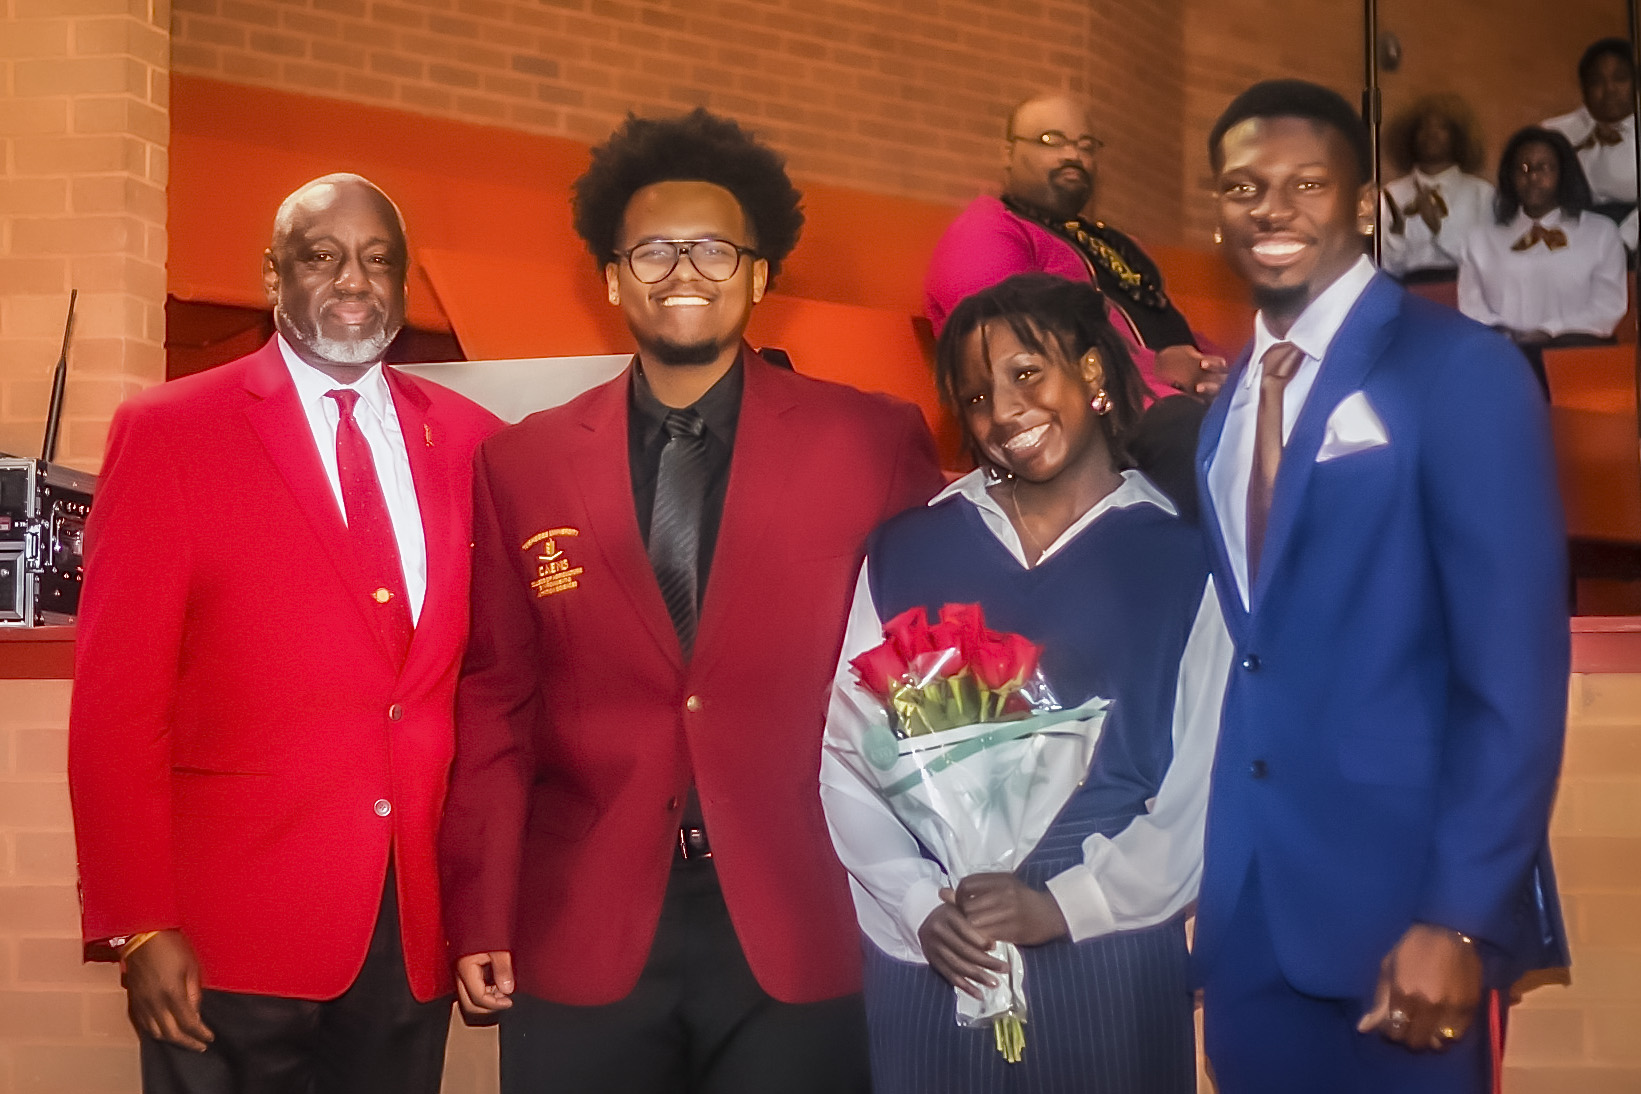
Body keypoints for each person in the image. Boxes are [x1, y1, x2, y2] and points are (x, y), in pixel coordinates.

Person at [439, 108, 944, 1094]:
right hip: (581, 923)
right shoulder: (521, 461)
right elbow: (498, 703)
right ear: (612, 277)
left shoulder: (873, 440)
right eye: (655, 249)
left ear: (760, 275)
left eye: (715, 248)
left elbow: (925, 673)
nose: (684, 271)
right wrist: (482, 906)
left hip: (807, 918)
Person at [68, 174, 503, 1094]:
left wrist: (485, 903)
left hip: (408, 931)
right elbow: (118, 702)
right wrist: (137, 921)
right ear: (274, 275)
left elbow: (487, 695)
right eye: (322, 256)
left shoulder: (474, 444)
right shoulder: (172, 431)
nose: (355, 279)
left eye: (380, 260)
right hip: (227, 935)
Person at [1193, 80, 1569, 1093]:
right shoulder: (1228, 403)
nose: (1272, 209)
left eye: (1306, 183)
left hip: (1407, 918)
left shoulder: (1460, 369)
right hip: (1252, 923)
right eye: (1243, 185)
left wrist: (1457, 911)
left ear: (1364, 205)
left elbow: (1516, 678)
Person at [819, 273, 1232, 1093]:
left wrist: (1065, 906)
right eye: (975, 395)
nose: (1003, 409)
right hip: (938, 952)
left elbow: (1202, 789)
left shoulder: (1184, 560)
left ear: (1091, 374)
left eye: (1025, 374)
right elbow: (848, 757)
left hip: (1107, 953)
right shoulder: (906, 550)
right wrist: (916, 906)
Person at [923, 92, 1224, 520]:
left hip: (1162, 406)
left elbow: (1167, 326)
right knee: (1198, 438)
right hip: (1085, 418)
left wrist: (1218, 372)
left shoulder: (1114, 245)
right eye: (1052, 140)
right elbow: (1007, 351)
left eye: (1086, 146)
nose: (1072, 155)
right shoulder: (988, 230)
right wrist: (1153, 367)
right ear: (1008, 152)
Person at [1457, 125, 1628, 395]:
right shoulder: (1480, 239)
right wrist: (1507, 335)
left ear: (1563, 173)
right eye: (1522, 168)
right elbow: (1471, 308)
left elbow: (1607, 307)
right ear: (1509, 177)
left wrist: (1550, 331)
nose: (1533, 177)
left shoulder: (1601, 232)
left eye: (1544, 167)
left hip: (1579, 363)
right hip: (1504, 363)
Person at [1378, 93, 1495, 282]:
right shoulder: (1391, 194)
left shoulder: (1482, 194)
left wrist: (1438, 229)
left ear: (1458, 136)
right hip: (1410, 296)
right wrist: (1396, 236)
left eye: (1442, 127)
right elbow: (1390, 268)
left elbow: (1486, 263)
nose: (1431, 134)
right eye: (1423, 127)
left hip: (1463, 296)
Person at [1543, 37, 1637, 228]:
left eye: (1620, 78)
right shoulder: (1554, 133)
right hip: (1572, 236)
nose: (1610, 89)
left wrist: (1624, 240)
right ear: (1583, 88)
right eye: (1596, 81)